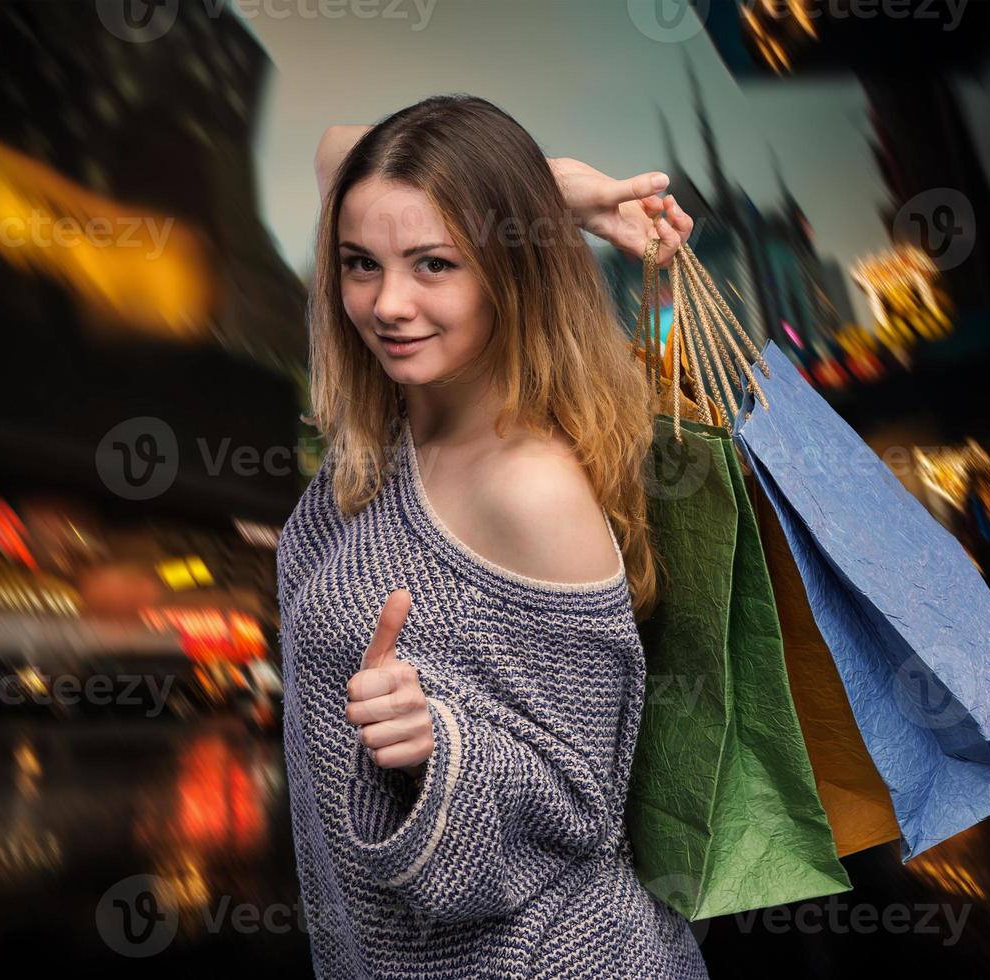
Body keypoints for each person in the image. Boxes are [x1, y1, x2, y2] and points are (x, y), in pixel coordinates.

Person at [276, 93, 709, 979]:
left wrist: (439, 744)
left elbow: (578, 802)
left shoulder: (530, 488)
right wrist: (556, 194)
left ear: (511, 272)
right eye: (360, 264)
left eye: (435, 264)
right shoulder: (400, 429)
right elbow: (340, 153)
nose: (388, 303)